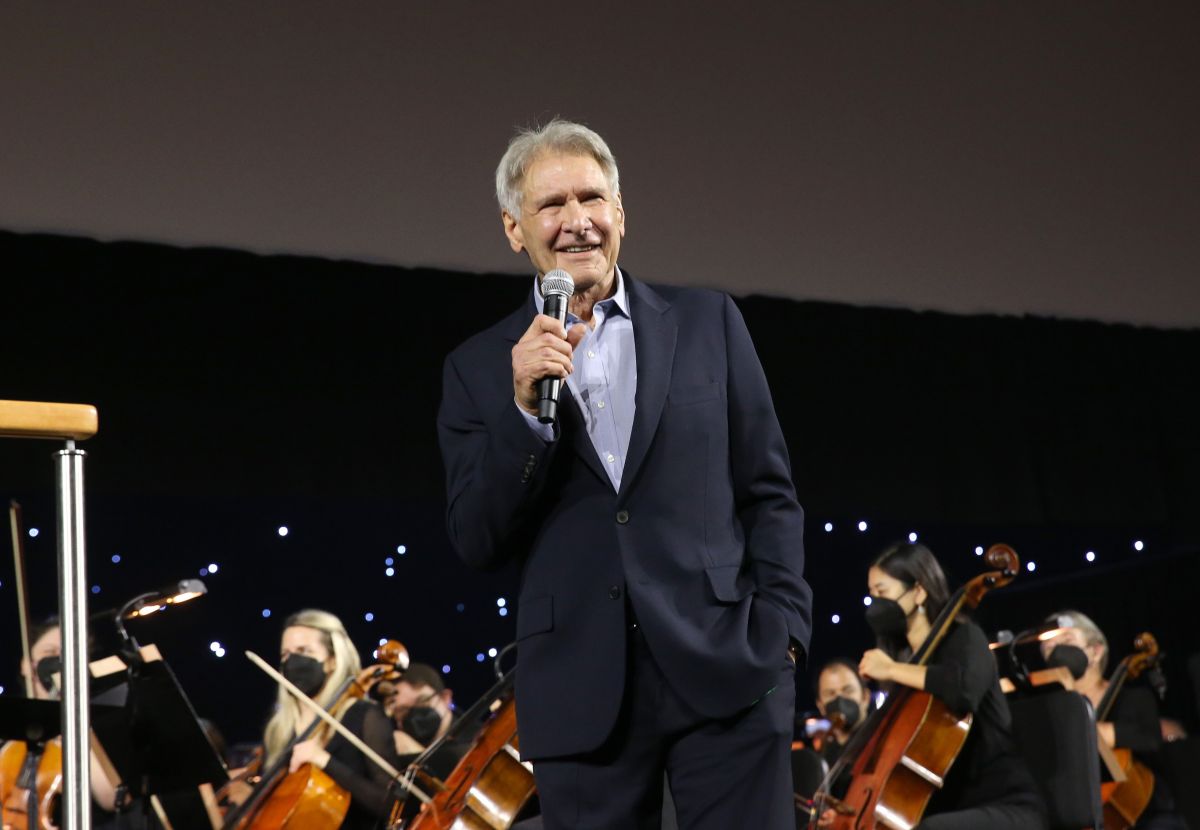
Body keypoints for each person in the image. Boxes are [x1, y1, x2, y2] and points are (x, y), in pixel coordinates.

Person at [437, 119, 812, 830]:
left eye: (592, 198)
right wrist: (526, 416)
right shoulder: (478, 367)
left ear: (620, 213)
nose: (577, 220)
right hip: (579, 693)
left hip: (730, 673)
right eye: (552, 204)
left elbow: (769, 492)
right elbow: (476, 539)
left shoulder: (709, 322)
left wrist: (784, 633)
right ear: (515, 229)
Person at [853, 543, 1047, 830]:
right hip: (949, 809)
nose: (875, 605)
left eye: (883, 592)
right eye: (872, 595)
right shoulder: (906, 660)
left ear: (919, 591)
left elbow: (963, 691)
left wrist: (892, 670)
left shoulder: (966, 638)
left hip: (1005, 803)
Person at [1040, 610, 1188, 830]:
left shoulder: (1133, 699)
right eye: (1049, 647)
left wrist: (1108, 733)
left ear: (1096, 651)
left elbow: (1151, 741)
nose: (1057, 653)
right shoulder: (1050, 712)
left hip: (1149, 817)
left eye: (1067, 641)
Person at [259, 609, 400, 830]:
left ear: (332, 660)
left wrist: (324, 760)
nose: (292, 661)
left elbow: (392, 805)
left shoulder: (365, 716)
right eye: (285, 654)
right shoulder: (279, 729)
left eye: (304, 651)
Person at [811, 657, 872, 766]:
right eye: (830, 693)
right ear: (821, 706)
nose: (839, 699)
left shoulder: (882, 740)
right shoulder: (823, 760)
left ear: (865, 698)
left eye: (848, 691)